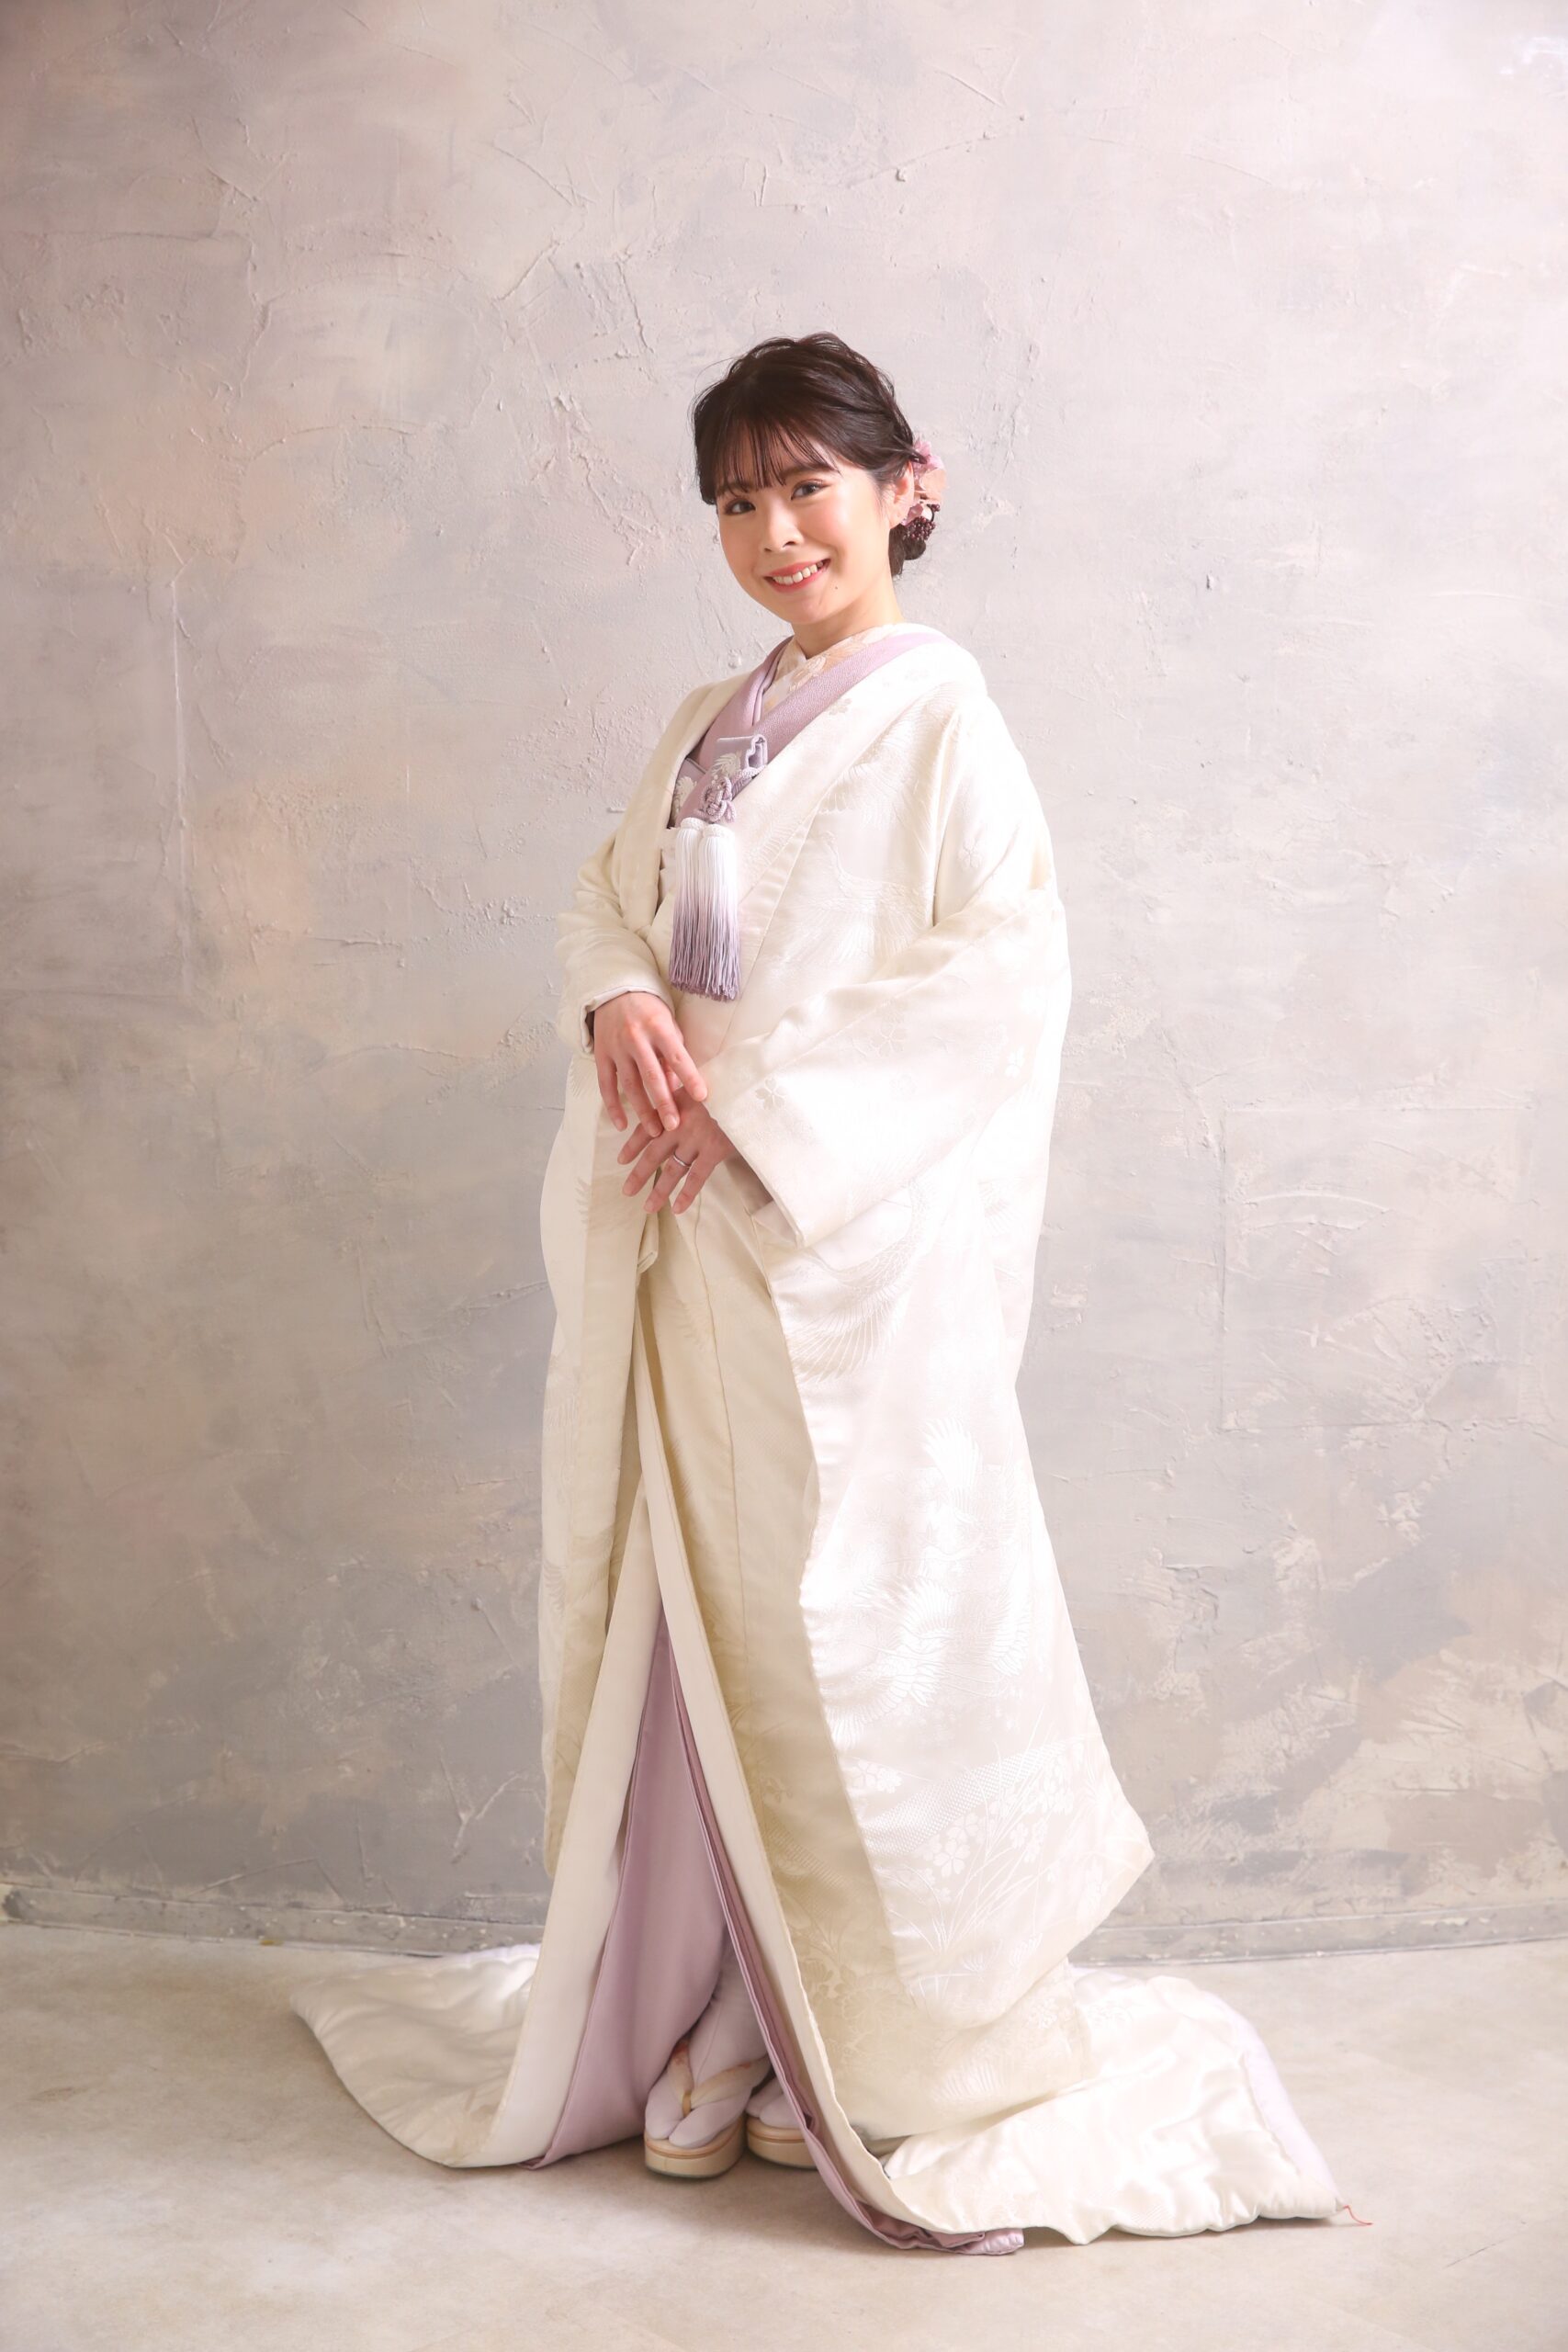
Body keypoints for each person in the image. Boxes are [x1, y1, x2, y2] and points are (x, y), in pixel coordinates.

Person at [291, 333, 1348, 2255]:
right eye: (736, 499)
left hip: (833, 1264)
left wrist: (761, 1120)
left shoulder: (944, 719)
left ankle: (857, 2040)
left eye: (807, 486)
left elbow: (998, 972)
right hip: (677, 1244)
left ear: (904, 487)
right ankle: (717, 2005)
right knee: (685, 1625)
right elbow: (604, 896)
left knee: (845, 1635)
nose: (775, 531)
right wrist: (620, 992)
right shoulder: (714, 718)